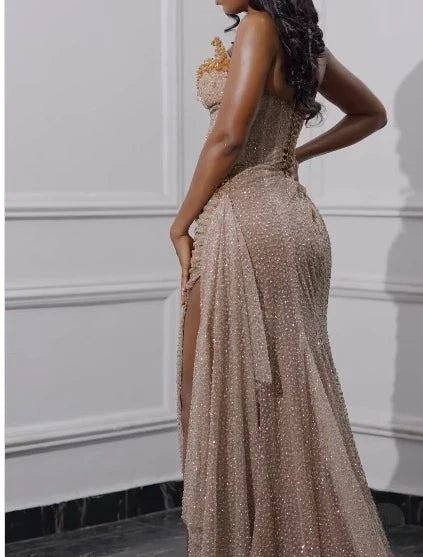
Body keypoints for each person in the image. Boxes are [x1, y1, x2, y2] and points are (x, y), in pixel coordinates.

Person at [170, 1, 391, 555]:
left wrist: (180, 222)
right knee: (293, 387)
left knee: (209, 390)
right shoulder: (303, 41)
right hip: (294, 220)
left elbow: (228, 137)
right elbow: (372, 113)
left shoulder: (259, 25)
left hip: (246, 224)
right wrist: (291, 155)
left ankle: (240, 542)